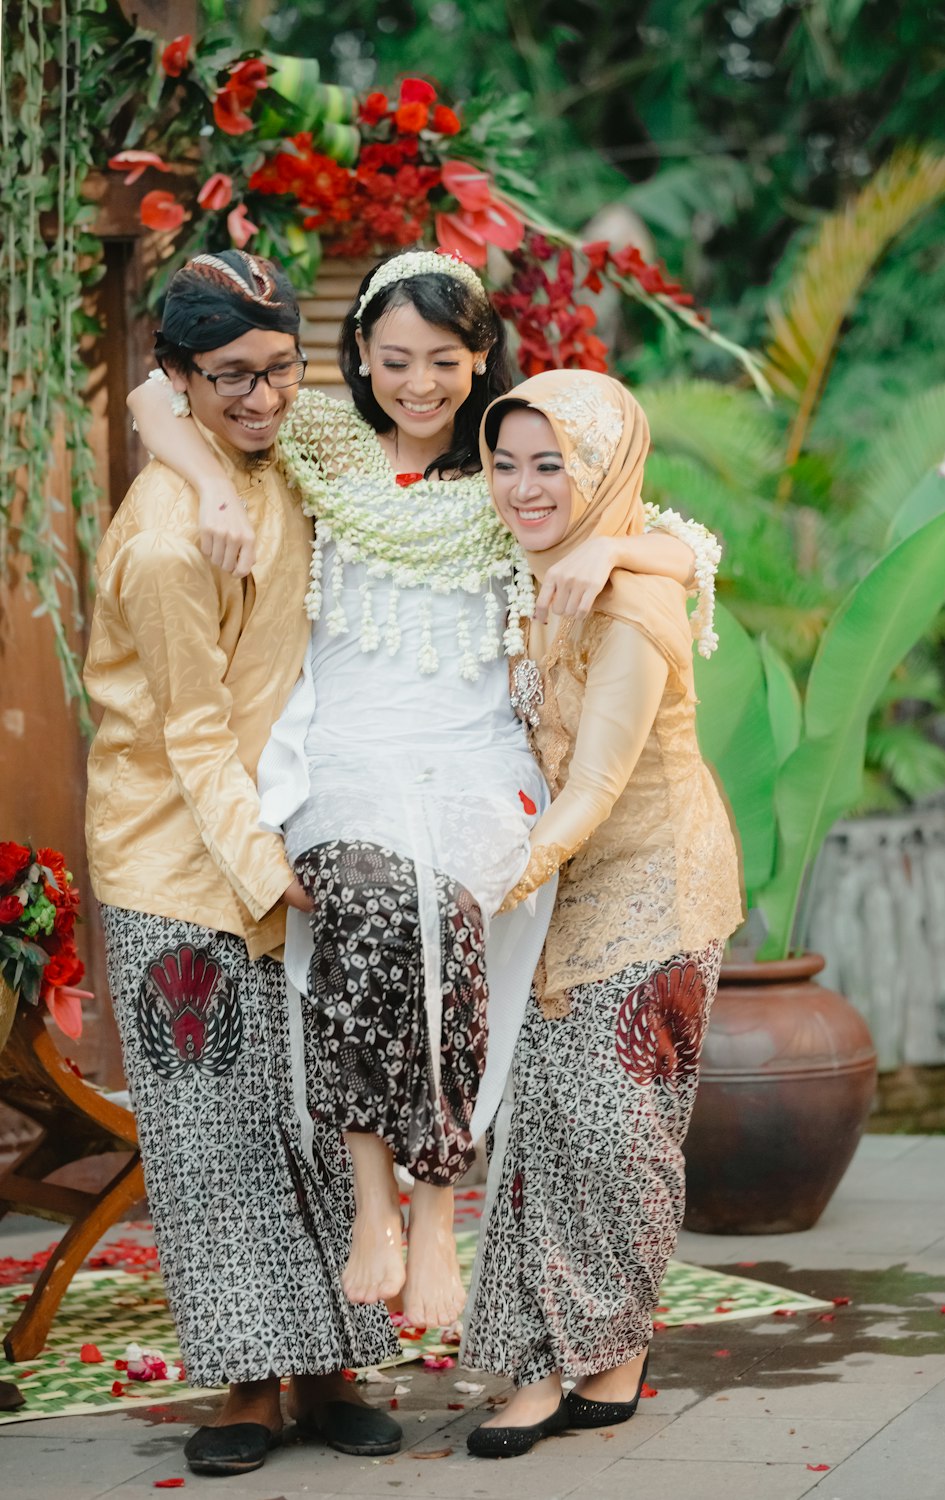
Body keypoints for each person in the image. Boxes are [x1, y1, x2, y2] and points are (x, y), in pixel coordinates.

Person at [128, 248, 704, 1336]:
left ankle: (436, 1207)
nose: (420, 383)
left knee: (441, 917)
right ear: (359, 357)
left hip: (476, 759)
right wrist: (207, 484)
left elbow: (688, 548)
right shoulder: (323, 447)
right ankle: (374, 1204)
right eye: (395, 360)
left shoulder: (513, 474)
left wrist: (619, 549)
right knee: (369, 901)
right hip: (345, 755)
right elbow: (153, 396)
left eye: (444, 360)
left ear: (481, 357)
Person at [86, 249, 403, 1478]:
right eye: (231, 381)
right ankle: (244, 1390)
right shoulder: (170, 542)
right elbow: (190, 736)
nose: (264, 398)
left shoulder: (283, 446)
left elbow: (148, 399)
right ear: (183, 374)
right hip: (180, 862)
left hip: (279, 837)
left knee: (322, 1120)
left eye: (280, 369)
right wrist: (270, 874)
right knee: (212, 1134)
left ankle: (332, 1367)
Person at [461, 371, 744, 1458]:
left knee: (617, 1127)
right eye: (506, 461)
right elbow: (678, 536)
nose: (525, 488)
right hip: (557, 880)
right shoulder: (527, 568)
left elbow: (593, 790)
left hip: (654, 880)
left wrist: (492, 885)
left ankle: (609, 1355)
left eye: (553, 464)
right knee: (541, 1122)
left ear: (604, 470)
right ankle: (542, 1359)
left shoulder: (634, 599)